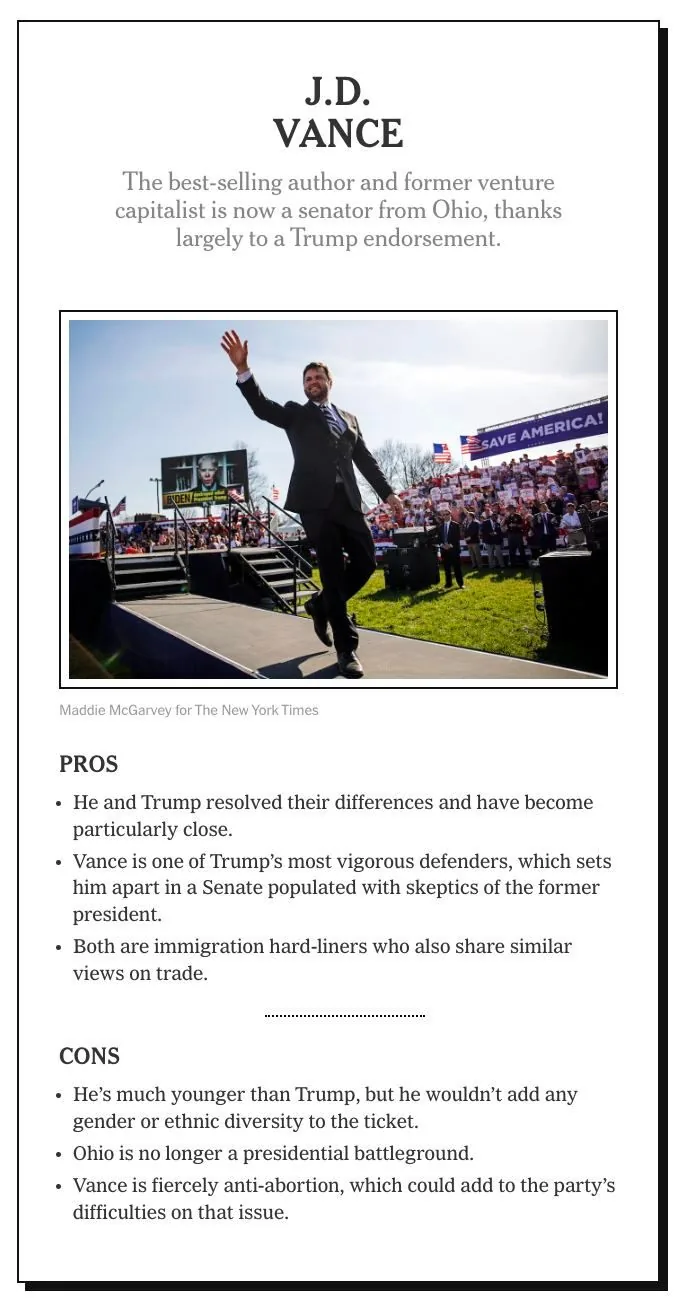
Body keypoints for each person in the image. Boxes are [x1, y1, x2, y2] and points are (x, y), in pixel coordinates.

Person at [221, 330, 403, 678]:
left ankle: (320, 605)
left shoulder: (350, 419)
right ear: (304, 386)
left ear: (329, 381)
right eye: (307, 379)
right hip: (315, 506)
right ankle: (346, 649)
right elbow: (262, 407)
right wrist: (243, 371)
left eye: (318, 376)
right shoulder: (297, 415)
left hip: (349, 502)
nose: (313, 382)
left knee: (366, 562)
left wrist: (388, 493)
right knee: (333, 573)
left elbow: (365, 460)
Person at [437, 506, 464, 590]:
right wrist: (442, 545)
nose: (445, 516)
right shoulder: (440, 527)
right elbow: (439, 538)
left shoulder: (455, 525)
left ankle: (460, 584)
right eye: (443, 515)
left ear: (450, 514)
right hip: (444, 550)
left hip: (454, 550)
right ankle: (448, 583)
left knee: (457, 568)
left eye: (446, 514)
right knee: (446, 568)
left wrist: (450, 545)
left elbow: (457, 537)